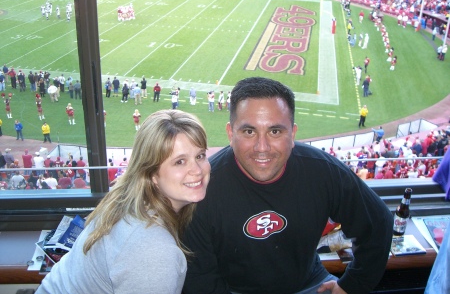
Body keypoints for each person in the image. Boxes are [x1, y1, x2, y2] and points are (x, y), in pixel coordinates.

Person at [182, 77, 393, 294]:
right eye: (249, 131)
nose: (261, 147)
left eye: (275, 131)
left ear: (292, 134)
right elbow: (200, 279)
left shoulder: (323, 171)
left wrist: (352, 285)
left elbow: (378, 222)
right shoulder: (203, 189)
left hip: (309, 284)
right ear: (230, 134)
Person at [37, 109, 211, 294]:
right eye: (180, 161)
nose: (197, 170)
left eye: (200, 156)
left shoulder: (127, 198)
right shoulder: (153, 252)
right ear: (151, 173)